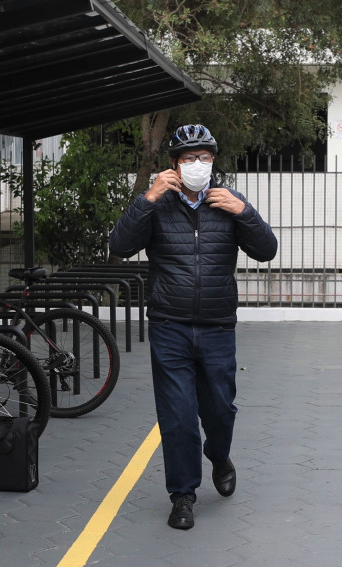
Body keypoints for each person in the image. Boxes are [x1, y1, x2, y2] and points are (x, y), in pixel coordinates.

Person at [108, 124, 278, 530]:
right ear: (174, 165)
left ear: (213, 162)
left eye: (204, 157)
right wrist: (146, 198)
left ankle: (219, 456)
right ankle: (183, 495)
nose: (197, 164)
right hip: (171, 326)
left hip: (218, 326)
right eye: (188, 158)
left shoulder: (229, 203)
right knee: (178, 416)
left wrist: (245, 213)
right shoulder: (158, 205)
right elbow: (119, 246)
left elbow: (267, 250)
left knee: (219, 409)